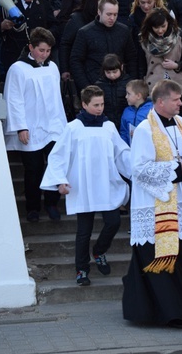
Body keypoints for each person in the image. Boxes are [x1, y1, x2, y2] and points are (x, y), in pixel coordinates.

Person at [122, 80, 182, 328]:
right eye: (176, 99)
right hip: (157, 206)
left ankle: (179, 308)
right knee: (161, 262)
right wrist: (177, 169)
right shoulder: (145, 129)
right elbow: (139, 169)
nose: (181, 103)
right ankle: (164, 312)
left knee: (181, 259)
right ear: (160, 102)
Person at [41, 85, 131, 286]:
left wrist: (136, 171)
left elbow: (121, 152)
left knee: (114, 222)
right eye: (96, 105)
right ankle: (81, 269)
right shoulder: (73, 128)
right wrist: (60, 181)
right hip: (83, 186)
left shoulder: (108, 126)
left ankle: (99, 250)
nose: (100, 108)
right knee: (84, 231)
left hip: (106, 183)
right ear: (83, 104)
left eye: (102, 104)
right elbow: (58, 155)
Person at [3, 27, 66, 223]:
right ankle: (32, 207)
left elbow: (56, 99)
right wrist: (21, 127)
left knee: (54, 165)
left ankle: (52, 203)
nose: (44, 55)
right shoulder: (18, 69)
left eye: (48, 51)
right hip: (30, 127)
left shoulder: (52, 67)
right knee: (33, 169)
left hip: (53, 126)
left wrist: (61, 125)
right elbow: (14, 100)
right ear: (31, 47)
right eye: (41, 50)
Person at [69, 0, 138, 92]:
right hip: (95, 86)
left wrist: (130, 83)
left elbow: (131, 58)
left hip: (121, 87)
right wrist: (86, 87)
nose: (112, 18)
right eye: (109, 14)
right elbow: (76, 61)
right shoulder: (85, 32)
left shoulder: (124, 31)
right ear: (99, 12)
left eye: (115, 14)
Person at [0, 0, 55, 82]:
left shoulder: (43, 3)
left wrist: (46, 39)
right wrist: (3, 26)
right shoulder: (8, 4)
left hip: (38, 56)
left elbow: (54, 26)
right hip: (14, 54)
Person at [140, 7, 182, 118]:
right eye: (156, 27)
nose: (160, 30)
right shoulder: (144, 40)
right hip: (154, 86)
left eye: (163, 26)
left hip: (177, 84)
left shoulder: (179, 36)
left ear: (168, 22)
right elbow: (140, 66)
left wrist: (177, 65)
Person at [59, 0, 105, 80]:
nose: (103, 2)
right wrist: (65, 69)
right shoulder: (76, 19)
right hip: (80, 69)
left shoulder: (105, 19)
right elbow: (65, 44)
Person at [129, 0, 164, 78]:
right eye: (142, 2)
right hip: (141, 60)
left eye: (149, 2)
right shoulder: (133, 18)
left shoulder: (165, 16)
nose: (146, 6)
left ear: (156, 0)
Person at [95, 54, 130, 131]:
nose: (112, 75)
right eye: (108, 72)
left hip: (124, 120)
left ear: (121, 67)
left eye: (115, 72)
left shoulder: (128, 83)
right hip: (106, 121)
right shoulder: (100, 85)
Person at [120, 79, 153, 145]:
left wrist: (139, 133)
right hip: (130, 150)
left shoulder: (152, 110)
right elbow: (123, 132)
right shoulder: (127, 111)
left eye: (128, 94)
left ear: (138, 96)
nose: (126, 96)